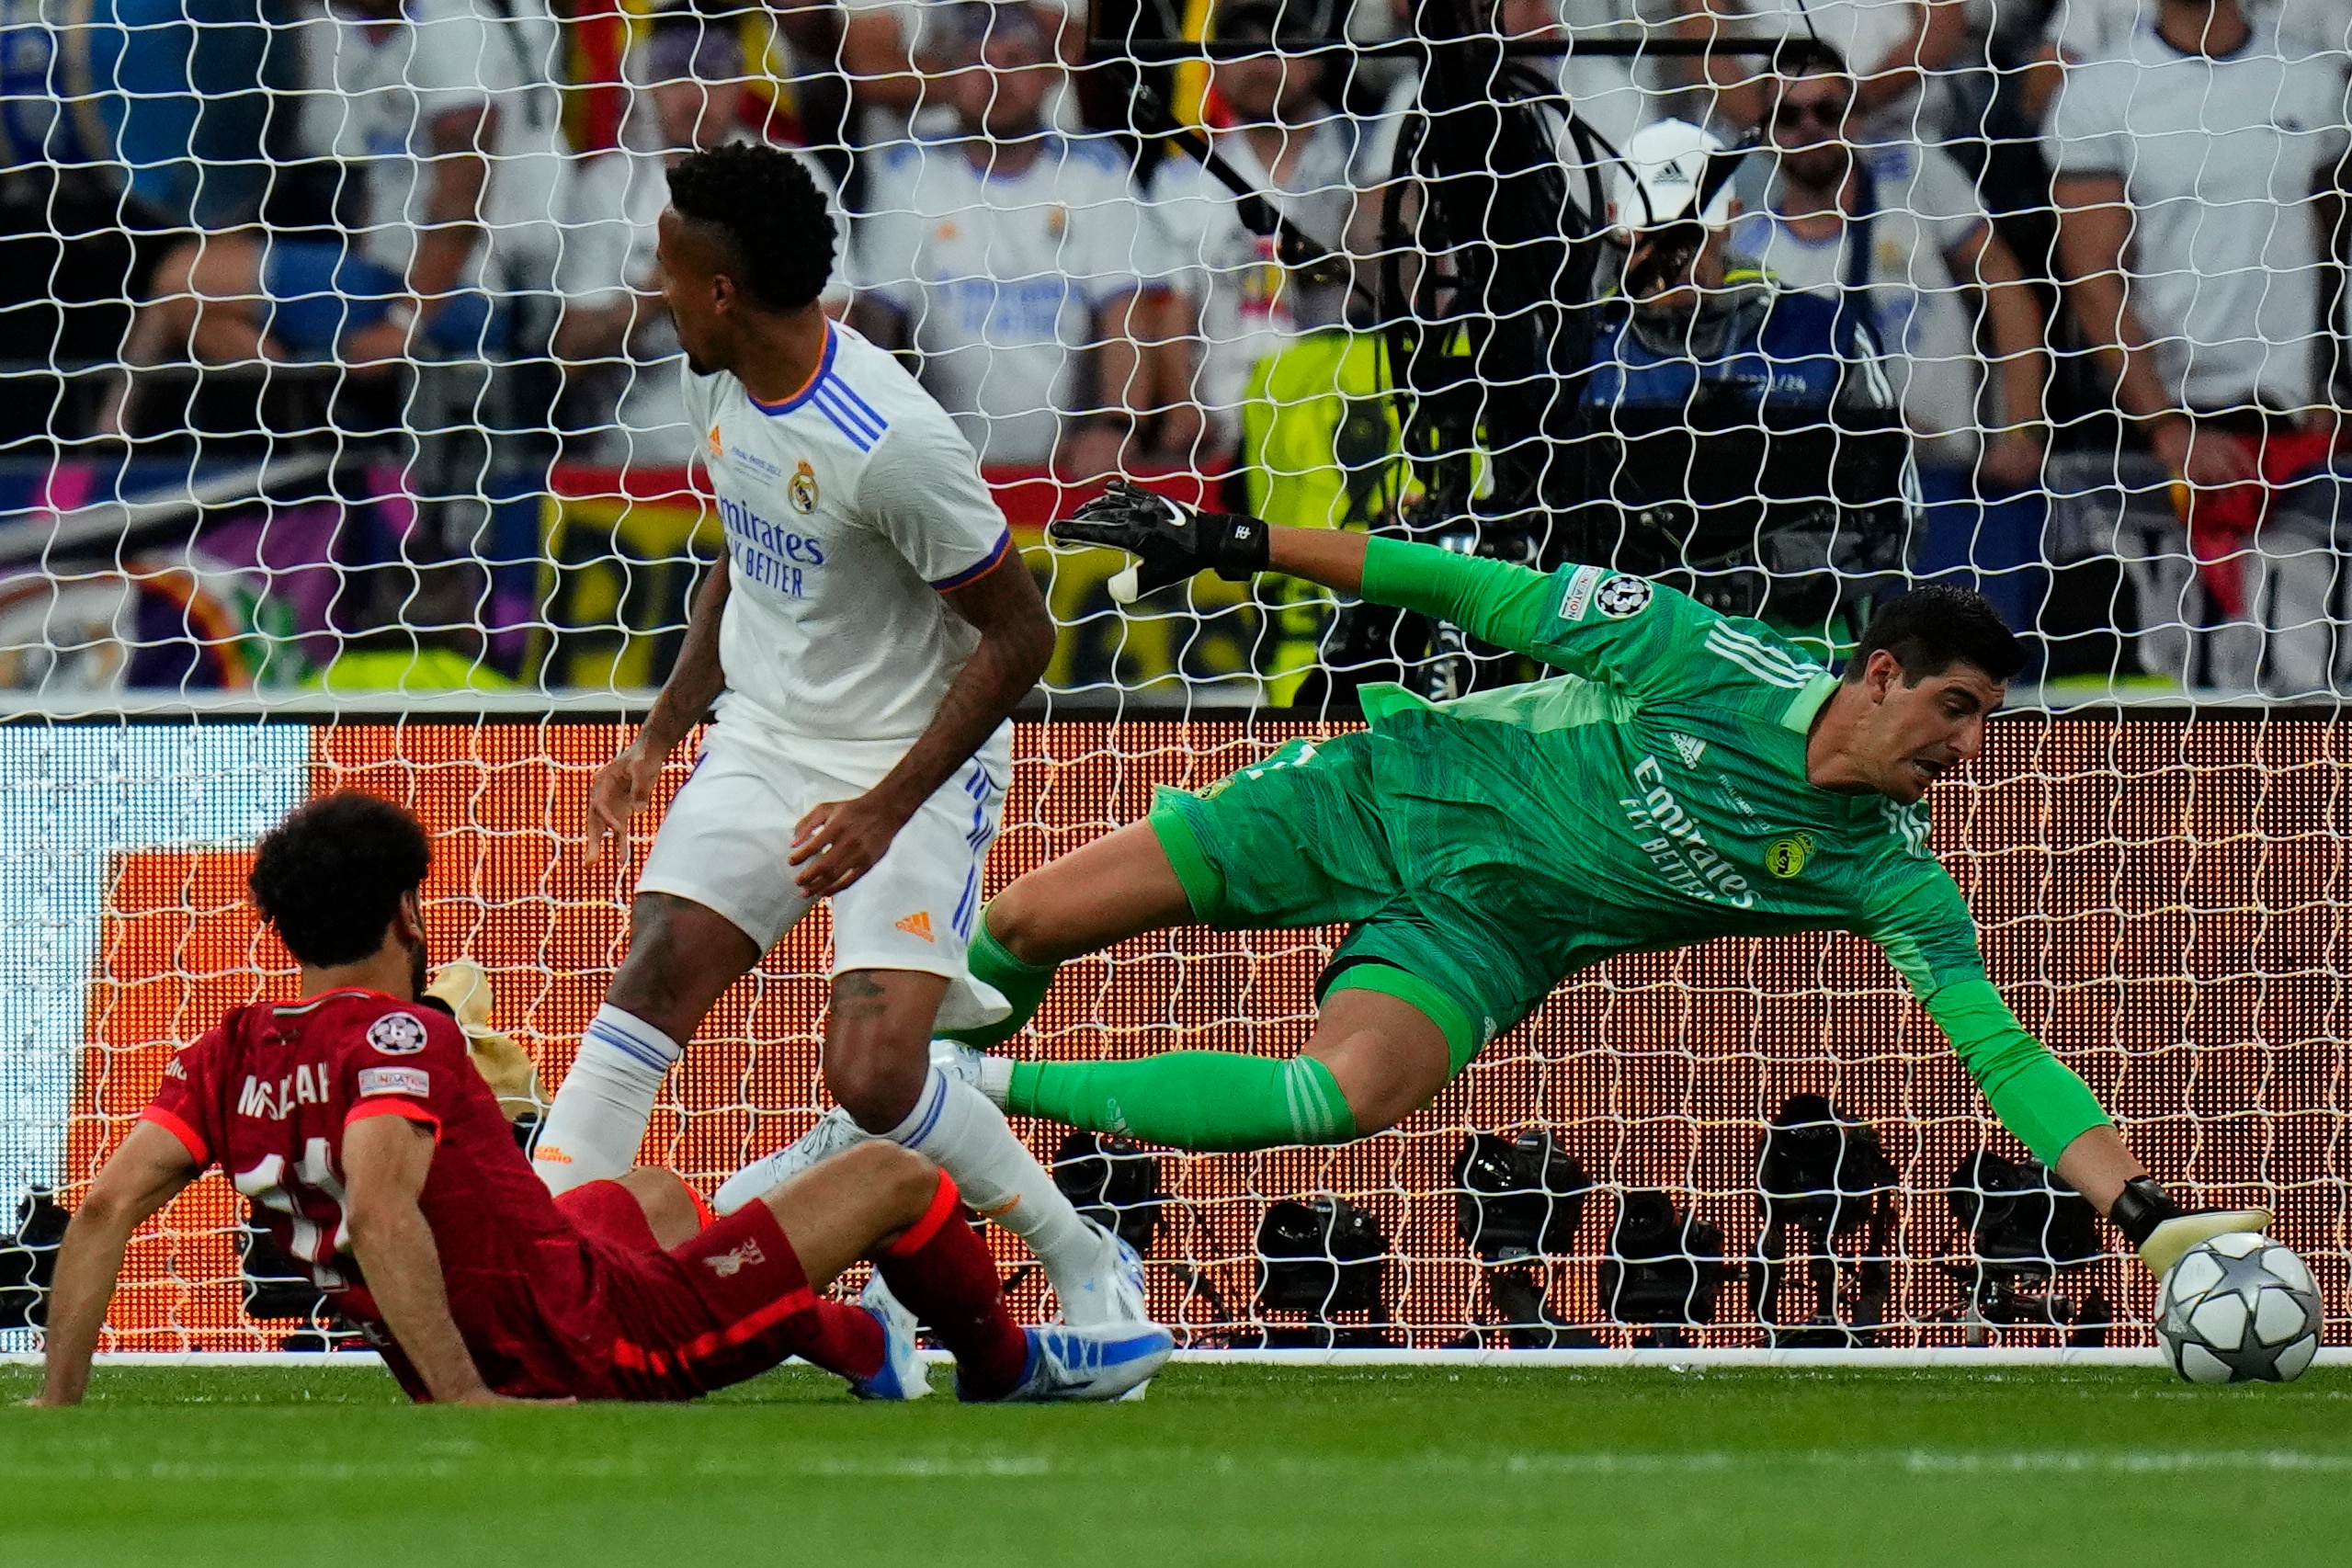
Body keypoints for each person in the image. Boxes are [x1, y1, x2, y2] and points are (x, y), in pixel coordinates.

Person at [921, 480, 2272, 1285]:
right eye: (1959, 710)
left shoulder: (1889, 876)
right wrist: (1234, 540)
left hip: (1488, 935)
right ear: (1877, 677)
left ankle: (952, 1095)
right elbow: (1477, 591)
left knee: (1331, 1098)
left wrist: (2138, 1208)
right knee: (1030, 918)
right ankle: (912, 1097)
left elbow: (1996, 1048)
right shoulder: (1700, 657)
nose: (1969, 751)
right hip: (1388, 797)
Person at [528, 142, 1153, 1333]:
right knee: (654, 966)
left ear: (720, 290)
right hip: (764, 734)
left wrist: (881, 805)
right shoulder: (719, 378)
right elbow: (738, 557)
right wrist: (657, 734)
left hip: (907, 760)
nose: (654, 294)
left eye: (668, 274)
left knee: (870, 1079)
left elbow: (1019, 636)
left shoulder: (891, 442)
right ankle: (550, 1285)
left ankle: (1080, 1253)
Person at [28, 791, 1172, 1406]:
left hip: (538, 1299)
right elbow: (381, 1209)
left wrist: (57, 1403)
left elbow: (99, 1212)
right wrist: (469, 1398)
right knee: (896, 1175)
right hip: (587, 1348)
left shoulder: (230, 1046)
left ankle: (860, 1340)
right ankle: (1010, 1365)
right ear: (406, 918)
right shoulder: (402, 1030)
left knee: (650, 1197)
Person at [2046, 0, 2352, 694]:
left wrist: (2329, 391)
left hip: (2294, 436)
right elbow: (2092, 277)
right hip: (2153, 441)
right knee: (2169, 687)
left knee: (2304, 686)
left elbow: (2332, 249)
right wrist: (2165, 426)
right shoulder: (2099, 88)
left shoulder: (2310, 80)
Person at [1581, 118, 1914, 650]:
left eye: (1691, 240)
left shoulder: (1826, 336)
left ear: (1731, 221)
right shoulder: (1575, 351)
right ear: (1619, 227)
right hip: (1624, 656)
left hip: (1799, 660)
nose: (1672, 263)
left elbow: (1899, 518)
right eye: (1655, 239)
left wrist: (1771, 571)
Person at [846, 2, 1182, 473]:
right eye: (976, 60)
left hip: (1071, 466)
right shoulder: (910, 169)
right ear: (944, 74)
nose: (995, 76)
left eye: (1016, 59)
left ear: (1048, 71)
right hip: (945, 467)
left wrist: (1116, 428)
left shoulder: (1096, 168)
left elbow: (1125, 312)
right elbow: (877, 324)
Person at [1731, 40, 2047, 492]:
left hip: (1955, 477)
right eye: (1787, 116)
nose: (1809, 127)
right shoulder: (1751, 253)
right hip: (1832, 492)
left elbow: (2005, 285)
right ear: (1763, 130)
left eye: (1827, 111)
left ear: (1853, 117)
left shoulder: (1914, 173)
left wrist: (2020, 431)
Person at [551, 10, 847, 467]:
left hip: (774, 454)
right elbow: (569, 355)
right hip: (639, 456)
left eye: (712, 74)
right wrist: (657, 294)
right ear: (647, 83)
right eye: (674, 76)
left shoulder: (793, 175)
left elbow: (841, 324)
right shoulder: (608, 186)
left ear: (740, 83)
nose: (694, 96)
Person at [1142, 0, 1381, 468]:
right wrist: (1182, 408)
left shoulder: (1370, 161)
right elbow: (1168, 303)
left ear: (1318, 56)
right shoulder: (1181, 178)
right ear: (1212, 64)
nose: (1259, 64)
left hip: (1351, 427)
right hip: (1228, 440)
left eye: (1279, 45)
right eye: (1239, 48)